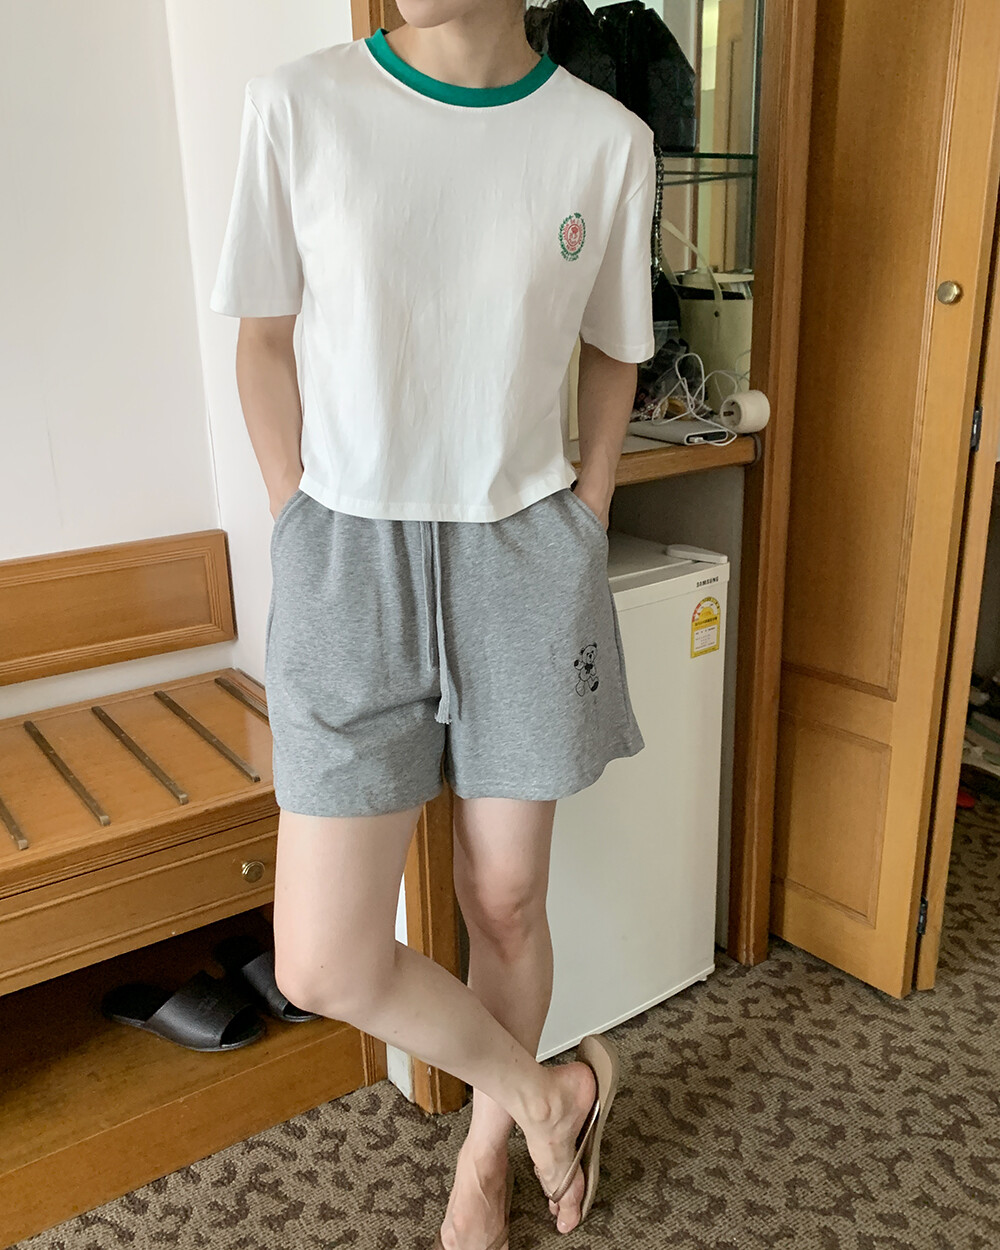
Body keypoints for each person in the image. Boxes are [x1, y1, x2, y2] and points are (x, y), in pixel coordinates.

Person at [209, 2, 656, 1245]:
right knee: (321, 956)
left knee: (504, 898)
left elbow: (615, 350)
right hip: (347, 555)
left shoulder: (603, 141)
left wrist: (587, 512)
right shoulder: (298, 107)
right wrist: (297, 520)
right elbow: (262, 343)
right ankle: (547, 1089)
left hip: (524, 552)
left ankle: (485, 1159)